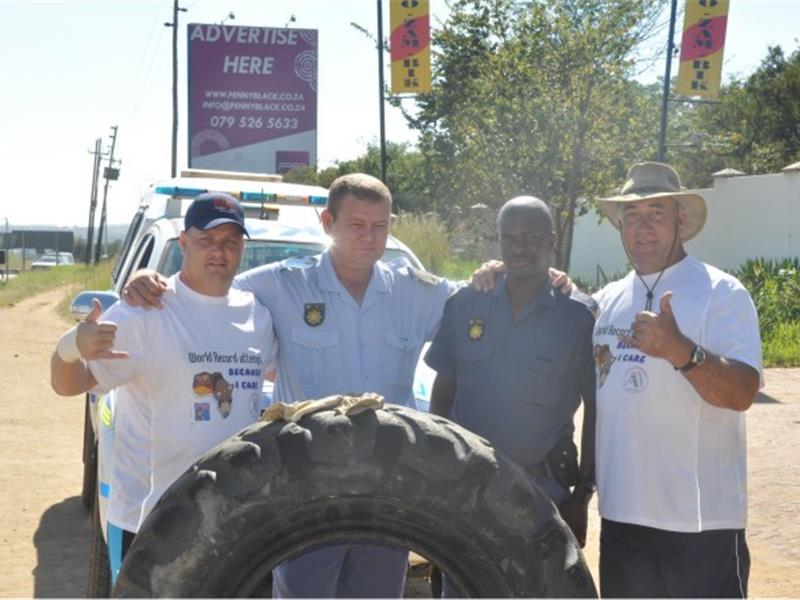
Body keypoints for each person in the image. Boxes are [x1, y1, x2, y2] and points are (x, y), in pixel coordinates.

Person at [123, 174, 573, 598]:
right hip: (303, 494)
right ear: (328, 223)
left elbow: (481, 298)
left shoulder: (415, 291)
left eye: (380, 226)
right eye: (356, 224)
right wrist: (147, 283)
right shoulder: (281, 285)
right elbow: (208, 291)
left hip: (389, 489)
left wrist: (536, 277)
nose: (368, 236)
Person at [50, 192, 277, 583]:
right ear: (185, 243)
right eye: (207, 241)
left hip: (234, 517)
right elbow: (68, 384)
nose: (219, 252)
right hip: (151, 519)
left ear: (242, 247)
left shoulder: (258, 315)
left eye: (230, 242)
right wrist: (71, 346)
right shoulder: (144, 311)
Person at [592, 162, 761, 598]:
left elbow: (742, 392)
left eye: (656, 213)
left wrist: (681, 352)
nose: (642, 227)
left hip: (700, 526)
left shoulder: (721, 292)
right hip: (623, 522)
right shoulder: (605, 300)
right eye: (632, 215)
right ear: (620, 225)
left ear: (680, 220)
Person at [424, 197, 596, 560]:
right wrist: (436, 468)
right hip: (467, 486)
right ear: (499, 243)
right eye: (510, 237)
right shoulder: (466, 305)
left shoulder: (578, 319)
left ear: (551, 241)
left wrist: (582, 493)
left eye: (531, 237)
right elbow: (443, 392)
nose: (519, 246)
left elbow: (596, 411)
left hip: (544, 489)